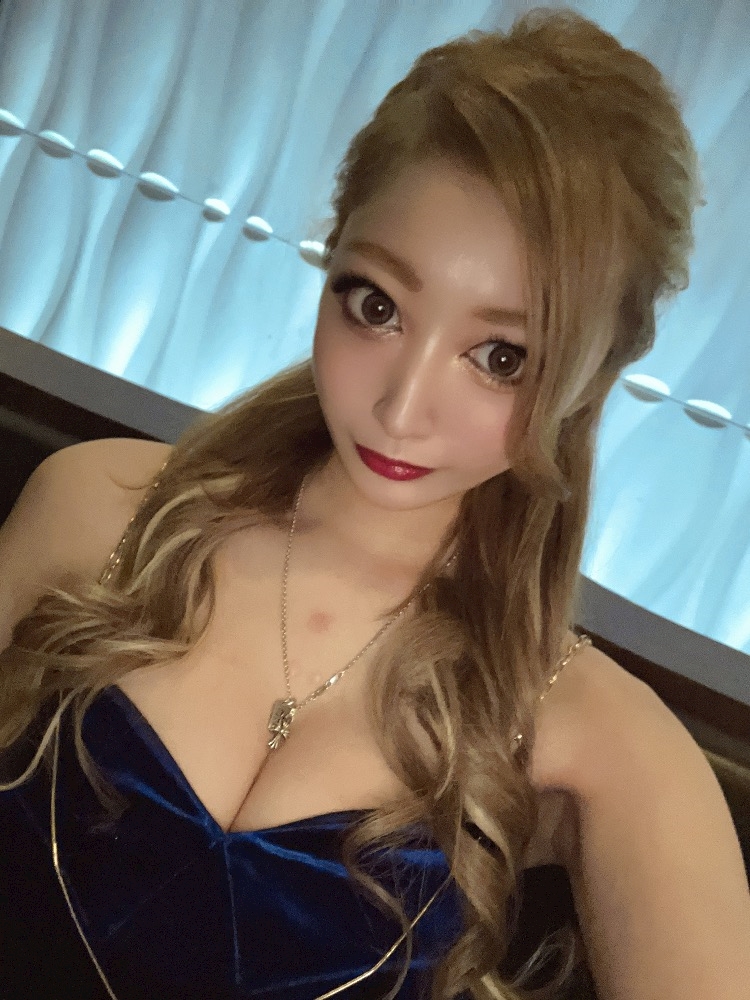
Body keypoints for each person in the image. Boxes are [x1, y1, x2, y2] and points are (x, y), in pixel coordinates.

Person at [0, 7, 748, 1000]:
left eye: (501, 357)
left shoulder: (602, 744)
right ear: (334, 253)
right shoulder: (94, 508)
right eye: (378, 305)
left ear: (591, 375)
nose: (402, 408)